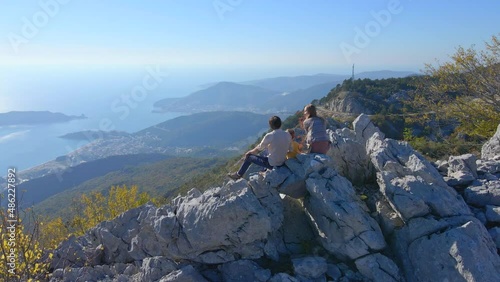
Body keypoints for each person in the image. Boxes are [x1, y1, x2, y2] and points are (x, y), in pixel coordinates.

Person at [228, 116, 291, 180]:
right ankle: (264, 170)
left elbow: (259, 148)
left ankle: (238, 175)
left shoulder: (270, 135)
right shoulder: (287, 134)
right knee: (266, 151)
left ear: (271, 126)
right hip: (282, 162)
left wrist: (250, 152)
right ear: (280, 123)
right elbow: (290, 149)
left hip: (272, 164)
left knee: (249, 157)